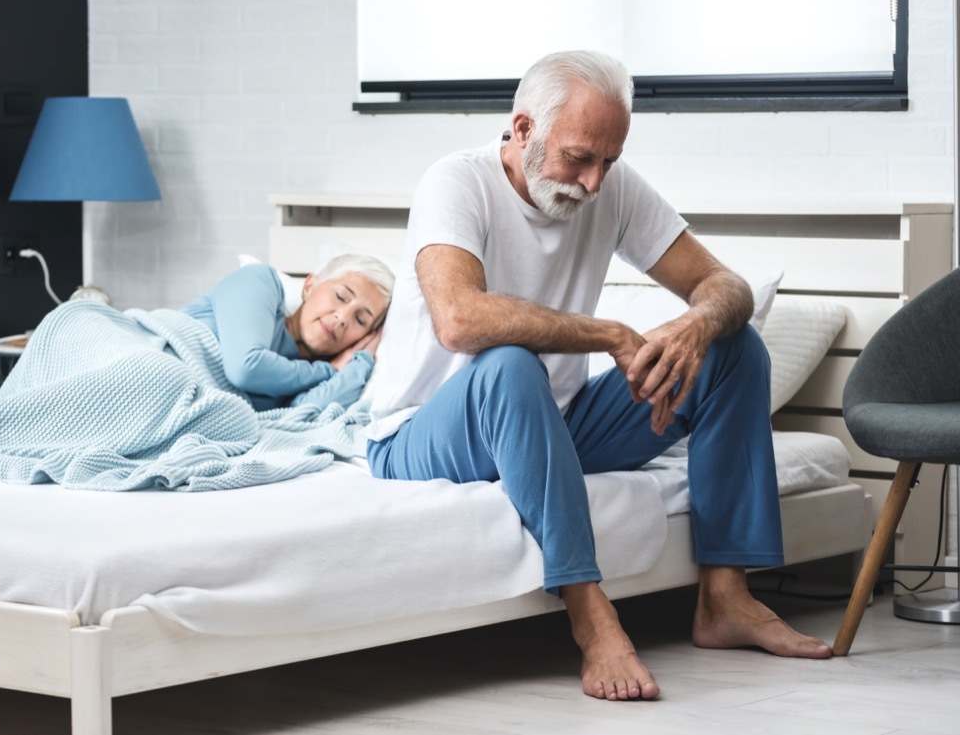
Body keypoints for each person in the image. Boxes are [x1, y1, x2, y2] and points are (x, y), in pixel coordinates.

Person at [362, 50, 832, 702]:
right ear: (523, 129)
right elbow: (460, 321)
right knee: (507, 364)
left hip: (555, 418)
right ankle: (590, 612)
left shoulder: (611, 187)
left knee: (734, 349)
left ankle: (725, 598)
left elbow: (724, 285)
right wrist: (609, 333)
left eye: (607, 161)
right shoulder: (456, 183)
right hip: (424, 431)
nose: (592, 182)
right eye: (579, 158)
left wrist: (693, 328)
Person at [183, 253, 394, 411]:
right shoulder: (260, 281)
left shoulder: (302, 380)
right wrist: (329, 369)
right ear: (309, 286)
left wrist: (363, 359)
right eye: (340, 296)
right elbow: (245, 368)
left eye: (360, 319)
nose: (342, 318)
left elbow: (305, 414)